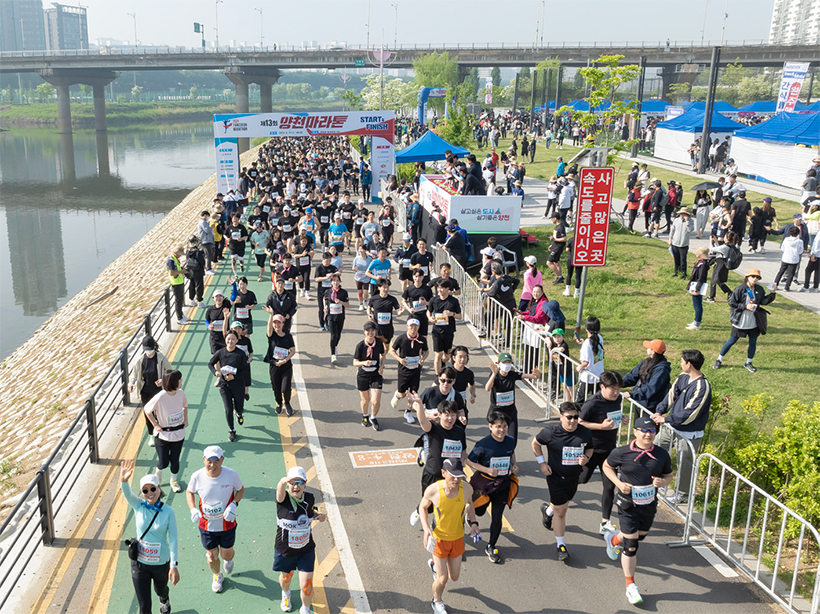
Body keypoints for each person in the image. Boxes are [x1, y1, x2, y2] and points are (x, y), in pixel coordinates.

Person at [602, 416, 674, 606]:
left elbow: (669, 475)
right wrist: (618, 483)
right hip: (627, 503)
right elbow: (607, 466)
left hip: (649, 504)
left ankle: (613, 539)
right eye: (644, 430)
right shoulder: (621, 452)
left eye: (651, 430)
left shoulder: (661, 454)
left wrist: (662, 482)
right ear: (635, 431)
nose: (648, 434)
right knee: (632, 545)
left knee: (639, 536)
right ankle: (631, 585)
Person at [531, 402, 593, 561]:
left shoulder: (584, 432)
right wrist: (542, 463)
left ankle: (547, 511)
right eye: (569, 417)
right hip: (555, 476)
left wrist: (586, 458)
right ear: (561, 417)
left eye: (576, 417)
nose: (572, 421)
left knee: (563, 502)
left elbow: (590, 448)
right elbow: (535, 443)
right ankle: (561, 546)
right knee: (562, 511)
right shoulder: (550, 432)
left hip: (574, 477)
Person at [418, 458, 480, 614]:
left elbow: (469, 504)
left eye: (459, 476)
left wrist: (474, 523)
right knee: (442, 579)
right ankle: (436, 601)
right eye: (452, 476)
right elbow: (422, 507)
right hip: (439, 540)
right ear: (443, 473)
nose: (456, 479)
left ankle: (434, 565)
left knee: (455, 577)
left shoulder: (466, 489)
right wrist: (426, 528)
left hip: (458, 538)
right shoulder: (433, 491)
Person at [119, 460, 179, 614]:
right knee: (144, 606)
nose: (150, 493)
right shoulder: (138, 506)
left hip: (161, 563)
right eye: (145, 491)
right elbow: (127, 493)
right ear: (142, 493)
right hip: (140, 564)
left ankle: (164, 598)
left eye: (153, 488)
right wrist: (124, 480)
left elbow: (172, 539)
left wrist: (174, 565)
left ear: (159, 488)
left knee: (161, 590)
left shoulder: (168, 512)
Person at [653, 349, 711, 506]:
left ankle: (682, 494)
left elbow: (690, 414)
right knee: (654, 447)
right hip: (670, 427)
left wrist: (666, 419)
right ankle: (647, 476)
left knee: (685, 464)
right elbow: (670, 396)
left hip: (689, 434)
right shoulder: (683, 377)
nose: (680, 363)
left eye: (682, 361)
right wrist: (660, 410)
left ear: (689, 364)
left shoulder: (702, 386)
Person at [186, 445, 244, 594]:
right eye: (209, 460)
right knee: (211, 556)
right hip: (206, 526)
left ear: (222, 460)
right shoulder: (197, 476)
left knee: (226, 553)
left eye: (216, 460)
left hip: (227, 524)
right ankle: (217, 576)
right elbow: (189, 492)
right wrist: (193, 508)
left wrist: (233, 504)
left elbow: (241, 489)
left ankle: (228, 559)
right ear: (204, 460)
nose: (212, 464)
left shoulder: (231, 474)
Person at [274, 466, 327, 614]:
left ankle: (305, 608)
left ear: (305, 484)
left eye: (299, 482)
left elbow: (309, 513)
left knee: (307, 584)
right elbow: (279, 492)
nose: (295, 486)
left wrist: (318, 516)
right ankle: (286, 594)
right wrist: (281, 483)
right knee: (286, 578)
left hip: (306, 549)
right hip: (286, 550)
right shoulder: (283, 499)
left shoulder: (309, 497)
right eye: (292, 483)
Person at [466, 412, 518, 565]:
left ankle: (491, 546)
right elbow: (469, 462)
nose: (501, 430)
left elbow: (512, 453)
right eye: (498, 427)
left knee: (497, 517)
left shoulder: (510, 441)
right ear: (490, 426)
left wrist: (514, 465)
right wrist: (487, 470)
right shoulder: (483, 444)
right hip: (484, 485)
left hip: (502, 485)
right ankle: (470, 518)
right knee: (480, 511)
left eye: (504, 427)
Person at [578, 372, 624, 535]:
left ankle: (605, 522)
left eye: (618, 389)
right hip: (592, 448)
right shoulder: (592, 403)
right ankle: (553, 506)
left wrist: (621, 418)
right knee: (581, 479)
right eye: (612, 389)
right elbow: (580, 423)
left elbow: (611, 416)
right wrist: (600, 427)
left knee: (610, 486)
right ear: (602, 387)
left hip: (610, 450)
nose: (616, 392)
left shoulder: (618, 399)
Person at [713, 268, 776, 373]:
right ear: (747, 277)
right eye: (753, 276)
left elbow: (764, 301)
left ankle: (748, 362)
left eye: (757, 277)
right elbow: (732, 303)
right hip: (741, 320)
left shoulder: (759, 289)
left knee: (753, 343)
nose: (755, 279)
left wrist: (772, 293)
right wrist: (745, 306)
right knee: (731, 341)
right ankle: (719, 359)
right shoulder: (740, 289)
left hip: (753, 321)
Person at [144, 370, 188, 493]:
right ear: (173, 382)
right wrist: (155, 425)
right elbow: (147, 410)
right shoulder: (160, 397)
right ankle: (157, 477)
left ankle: (174, 481)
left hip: (178, 434)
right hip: (163, 435)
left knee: (175, 461)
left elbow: (185, 406)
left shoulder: (181, 393)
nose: (181, 381)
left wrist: (186, 419)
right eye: (179, 379)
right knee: (163, 462)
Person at [485, 352, 540, 444]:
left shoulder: (512, 375)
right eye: (504, 362)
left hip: (511, 412)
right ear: (498, 364)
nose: (507, 365)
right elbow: (487, 388)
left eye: (509, 362)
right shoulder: (495, 375)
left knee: (512, 441)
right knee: (496, 439)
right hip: (497, 411)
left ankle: (510, 456)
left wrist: (537, 375)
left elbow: (532, 376)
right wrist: (494, 373)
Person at [129, 335, 172, 449]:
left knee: (160, 413)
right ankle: (152, 434)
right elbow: (134, 374)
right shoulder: (140, 360)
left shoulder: (161, 358)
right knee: (148, 413)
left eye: (150, 349)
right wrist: (131, 384)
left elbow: (170, 372)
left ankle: (163, 432)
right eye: (146, 349)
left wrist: (163, 380)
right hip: (145, 391)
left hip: (158, 391)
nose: (148, 352)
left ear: (154, 347)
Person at [207, 330, 250, 442]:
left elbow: (245, 371)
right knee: (228, 408)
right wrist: (216, 373)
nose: (230, 341)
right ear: (225, 340)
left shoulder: (240, 354)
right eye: (228, 339)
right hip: (224, 385)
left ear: (236, 340)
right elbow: (210, 363)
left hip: (237, 385)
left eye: (233, 339)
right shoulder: (220, 352)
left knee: (239, 407)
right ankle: (232, 430)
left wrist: (234, 377)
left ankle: (239, 413)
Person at [389, 319, 429, 420]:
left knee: (413, 393)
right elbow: (392, 351)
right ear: (407, 326)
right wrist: (400, 359)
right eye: (411, 326)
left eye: (415, 326)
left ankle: (408, 411)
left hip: (416, 370)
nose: (413, 328)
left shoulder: (422, 339)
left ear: (418, 327)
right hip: (404, 370)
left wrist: (423, 359)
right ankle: (397, 395)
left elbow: (426, 351)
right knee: (402, 394)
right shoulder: (401, 338)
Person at [353, 322, 387, 430]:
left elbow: (383, 355)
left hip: (375, 375)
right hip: (363, 375)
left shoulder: (379, 344)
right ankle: (364, 416)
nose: (370, 333)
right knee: (365, 400)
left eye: (372, 331)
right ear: (364, 332)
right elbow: (355, 362)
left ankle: (373, 417)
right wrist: (363, 363)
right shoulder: (360, 346)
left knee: (376, 401)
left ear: (375, 332)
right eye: (368, 331)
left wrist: (381, 365)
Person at [621, 340, 671, 412]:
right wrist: (618, 383)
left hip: (650, 406)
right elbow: (633, 375)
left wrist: (633, 395)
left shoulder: (662, 370)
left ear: (653, 351)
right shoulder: (646, 361)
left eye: (649, 347)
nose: (647, 348)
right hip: (640, 402)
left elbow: (651, 388)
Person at [428, 279, 462, 375]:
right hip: (437, 331)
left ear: (447, 289)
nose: (439, 290)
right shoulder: (433, 300)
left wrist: (452, 314)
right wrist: (430, 318)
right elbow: (428, 311)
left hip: (448, 331)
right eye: (438, 288)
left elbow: (460, 316)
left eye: (442, 288)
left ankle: (444, 360)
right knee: (437, 355)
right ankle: (438, 376)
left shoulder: (453, 301)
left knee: (447, 356)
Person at [264, 314, 296, 415]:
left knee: (285, 387)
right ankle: (279, 403)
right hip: (274, 366)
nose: (277, 325)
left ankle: (287, 403)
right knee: (276, 387)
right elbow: (268, 329)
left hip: (286, 366)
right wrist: (270, 315)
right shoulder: (272, 336)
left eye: (279, 323)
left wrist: (285, 360)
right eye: (275, 323)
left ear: (283, 324)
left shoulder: (288, 336)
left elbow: (293, 351)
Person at [576, 316, 604, 404]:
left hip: (587, 378)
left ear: (586, 329)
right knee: (596, 402)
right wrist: (583, 342)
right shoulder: (599, 338)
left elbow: (586, 362)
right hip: (598, 377)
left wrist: (580, 367)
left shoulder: (587, 344)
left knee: (578, 402)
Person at [324, 273, 350, 363]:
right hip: (331, 317)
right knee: (333, 335)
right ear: (331, 282)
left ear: (340, 282)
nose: (335, 282)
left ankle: (335, 346)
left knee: (338, 335)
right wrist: (325, 307)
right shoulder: (328, 292)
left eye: (337, 281)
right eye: (334, 281)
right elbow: (325, 299)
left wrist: (341, 302)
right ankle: (333, 355)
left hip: (340, 317)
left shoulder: (343, 292)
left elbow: (347, 305)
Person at [368, 279, 402, 344]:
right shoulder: (374, 299)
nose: (386, 289)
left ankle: (383, 354)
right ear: (379, 288)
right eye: (384, 287)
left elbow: (398, 310)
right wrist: (369, 314)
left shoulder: (392, 299)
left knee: (386, 347)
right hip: (377, 328)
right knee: (377, 346)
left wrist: (400, 312)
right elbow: (369, 307)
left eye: (387, 287)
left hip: (388, 328)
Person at [706, 230, 738, 302]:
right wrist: (716, 242)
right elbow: (719, 251)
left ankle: (713, 296)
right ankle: (712, 296)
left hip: (720, 264)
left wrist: (711, 242)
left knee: (716, 280)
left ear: (727, 238)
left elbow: (712, 249)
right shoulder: (728, 246)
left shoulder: (724, 247)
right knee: (716, 281)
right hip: (723, 264)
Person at [402, 268, 433, 338]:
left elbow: (432, 302)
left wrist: (426, 303)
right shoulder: (409, 289)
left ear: (423, 277)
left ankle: (423, 349)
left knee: (424, 337)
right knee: (412, 335)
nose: (417, 278)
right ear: (413, 277)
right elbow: (403, 301)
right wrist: (409, 309)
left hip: (424, 315)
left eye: (419, 276)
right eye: (416, 276)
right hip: (413, 315)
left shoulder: (427, 289)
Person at [771, 226, 804, 292]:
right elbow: (801, 251)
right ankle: (786, 287)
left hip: (786, 258)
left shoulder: (786, 239)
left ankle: (775, 284)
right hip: (794, 259)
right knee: (791, 273)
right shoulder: (799, 241)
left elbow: (783, 248)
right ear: (798, 233)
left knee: (781, 271)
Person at [686, 246, 711, 330]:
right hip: (695, 284)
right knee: (696, 304)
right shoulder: (700, 262)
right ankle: (696, 320)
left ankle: (697, 323)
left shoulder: (702, 265)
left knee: (698, 305)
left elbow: (701, 278)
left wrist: (697, 289)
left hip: (697, 286)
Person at [314, 251, 339, 331]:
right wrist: (326, 277)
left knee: (329, 308)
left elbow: (338, 272)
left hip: (330, 292)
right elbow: (317, 279)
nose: (328, 262)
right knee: (321, 309)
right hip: (321, 291)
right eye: (326, 260)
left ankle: (327, 322)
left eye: (329, 260)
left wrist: (333, 274)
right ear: (323, 259)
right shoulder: (319, 268)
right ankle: (321, 324)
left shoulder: (332, 267)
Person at [167, 245, 190, 326]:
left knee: (180, 300)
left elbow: (177, 268)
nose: (180, 255)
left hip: (179, 282)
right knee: (178, 301)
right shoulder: (171, 260)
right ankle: (179, 318)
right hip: (176, 283)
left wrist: (181, 270)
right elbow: (171, 272)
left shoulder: (175, 259)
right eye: (179, 254)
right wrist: (182, 272)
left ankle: (181, 314)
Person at [669, 207, 694, 277]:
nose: (682, 216)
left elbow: (690, 230)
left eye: (683, 214)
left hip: (684, 243)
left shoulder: (691, 221)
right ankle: (676, 272)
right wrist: (670, 239)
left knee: (683, 259)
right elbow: (672, 230)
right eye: (681, 214)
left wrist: (687, 222)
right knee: (676, 259)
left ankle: (683, 273)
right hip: (675, 243)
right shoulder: (676, 220)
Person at [185, 236, 207, 308]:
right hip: (198, 271)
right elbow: (202, 262)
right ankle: (199, 301)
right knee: (199, 286)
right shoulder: (199, 252)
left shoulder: (188, 252)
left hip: (190, 271)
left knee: (191, 285)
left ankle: (192, 300)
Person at [547, 212, 567, 283]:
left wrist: (554, 240)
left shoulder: (561, 227)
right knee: (556, 262)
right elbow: (556, 237)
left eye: (552, 218)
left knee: (549, 262)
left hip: (558, 247)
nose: (551, 220)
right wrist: (552, 245)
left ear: (555, 218)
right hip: (555, 246)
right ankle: (559, 277)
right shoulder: (557, 226)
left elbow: (564, 238)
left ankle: (559, 277)